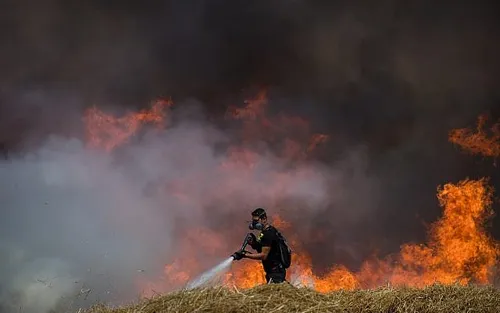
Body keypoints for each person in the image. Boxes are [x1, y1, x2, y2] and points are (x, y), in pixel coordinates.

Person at [232, 208, 288, 284]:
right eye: (253, 221)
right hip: (272, 271)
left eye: (256, 221)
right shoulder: (264, 232)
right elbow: (263, 248)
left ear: (264, 219)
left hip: (275, 271)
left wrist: (245, 255)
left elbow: (263, 255)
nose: (254, 224)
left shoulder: (268, 234)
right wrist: (253, 243)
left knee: (277, 292)